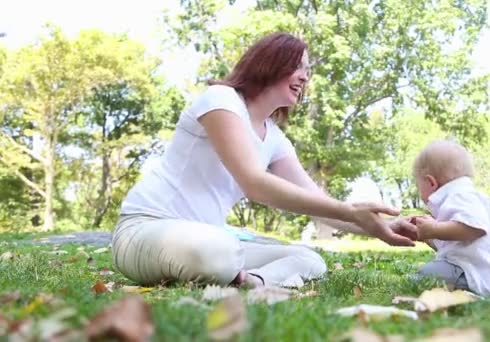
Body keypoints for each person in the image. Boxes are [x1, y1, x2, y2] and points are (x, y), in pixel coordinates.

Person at [111, 32, 416, 289]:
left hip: (208, 241)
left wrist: (385, 226)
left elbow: (318, 204)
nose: (306, 77)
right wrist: (351, 211)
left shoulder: (275, 140)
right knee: (220, 250)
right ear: (270, 62)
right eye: (298, 66)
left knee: (310, 259)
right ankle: (228, 272)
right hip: (145, 231)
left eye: (307, 70)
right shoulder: (220, 99)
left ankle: (252, 282)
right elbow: (253, 182)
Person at [409, 139, 490, 295]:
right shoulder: (464, 198)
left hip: (485, 276)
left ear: (431, 183)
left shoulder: (460, 195)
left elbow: (475, 228)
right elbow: (455, 243)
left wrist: (434, 228)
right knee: (435, 269)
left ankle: (466, 290)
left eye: (418, 185)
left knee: (426, 275)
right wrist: (428, 236)